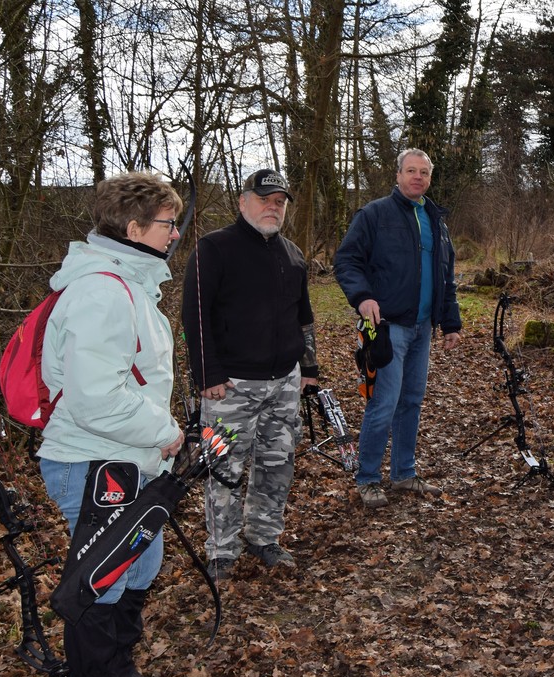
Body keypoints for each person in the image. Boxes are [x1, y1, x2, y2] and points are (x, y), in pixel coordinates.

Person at [38, 172, 184, 677]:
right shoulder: (102, 291)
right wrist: (166, 430)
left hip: (125, 458)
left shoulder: (129, 286)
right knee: (103, 578)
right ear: (134, 227)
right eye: (168, 223)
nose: (175, 233)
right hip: (91, 461)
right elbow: (95, 398)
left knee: (139, 564)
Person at [181, 169, 319, 579]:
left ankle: (264, 536)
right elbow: (195, 316)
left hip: (285, 383)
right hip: (230, 386)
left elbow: (304, 317)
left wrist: (309, 367)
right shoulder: (214, 248)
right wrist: (207, 374)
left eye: (279, 202)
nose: (273, 207)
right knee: (223, 468)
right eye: (264, 199)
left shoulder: (292, 253)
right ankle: (222, 549)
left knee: (277, 464)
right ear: (243, 202)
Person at [334, 148, 462, 508]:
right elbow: (346, 260)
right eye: (411, 170)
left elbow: (446, 276)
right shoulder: (375, 215)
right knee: (385, 402)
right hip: (387, 328)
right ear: (398, 175)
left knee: (411, 402)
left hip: (423, 328)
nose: (417, 177)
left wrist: (450, 322)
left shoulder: (436, 221)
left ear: (430, 178)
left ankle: (404, 472)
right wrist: (363, 297)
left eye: (424, 172)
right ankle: (368, 478)